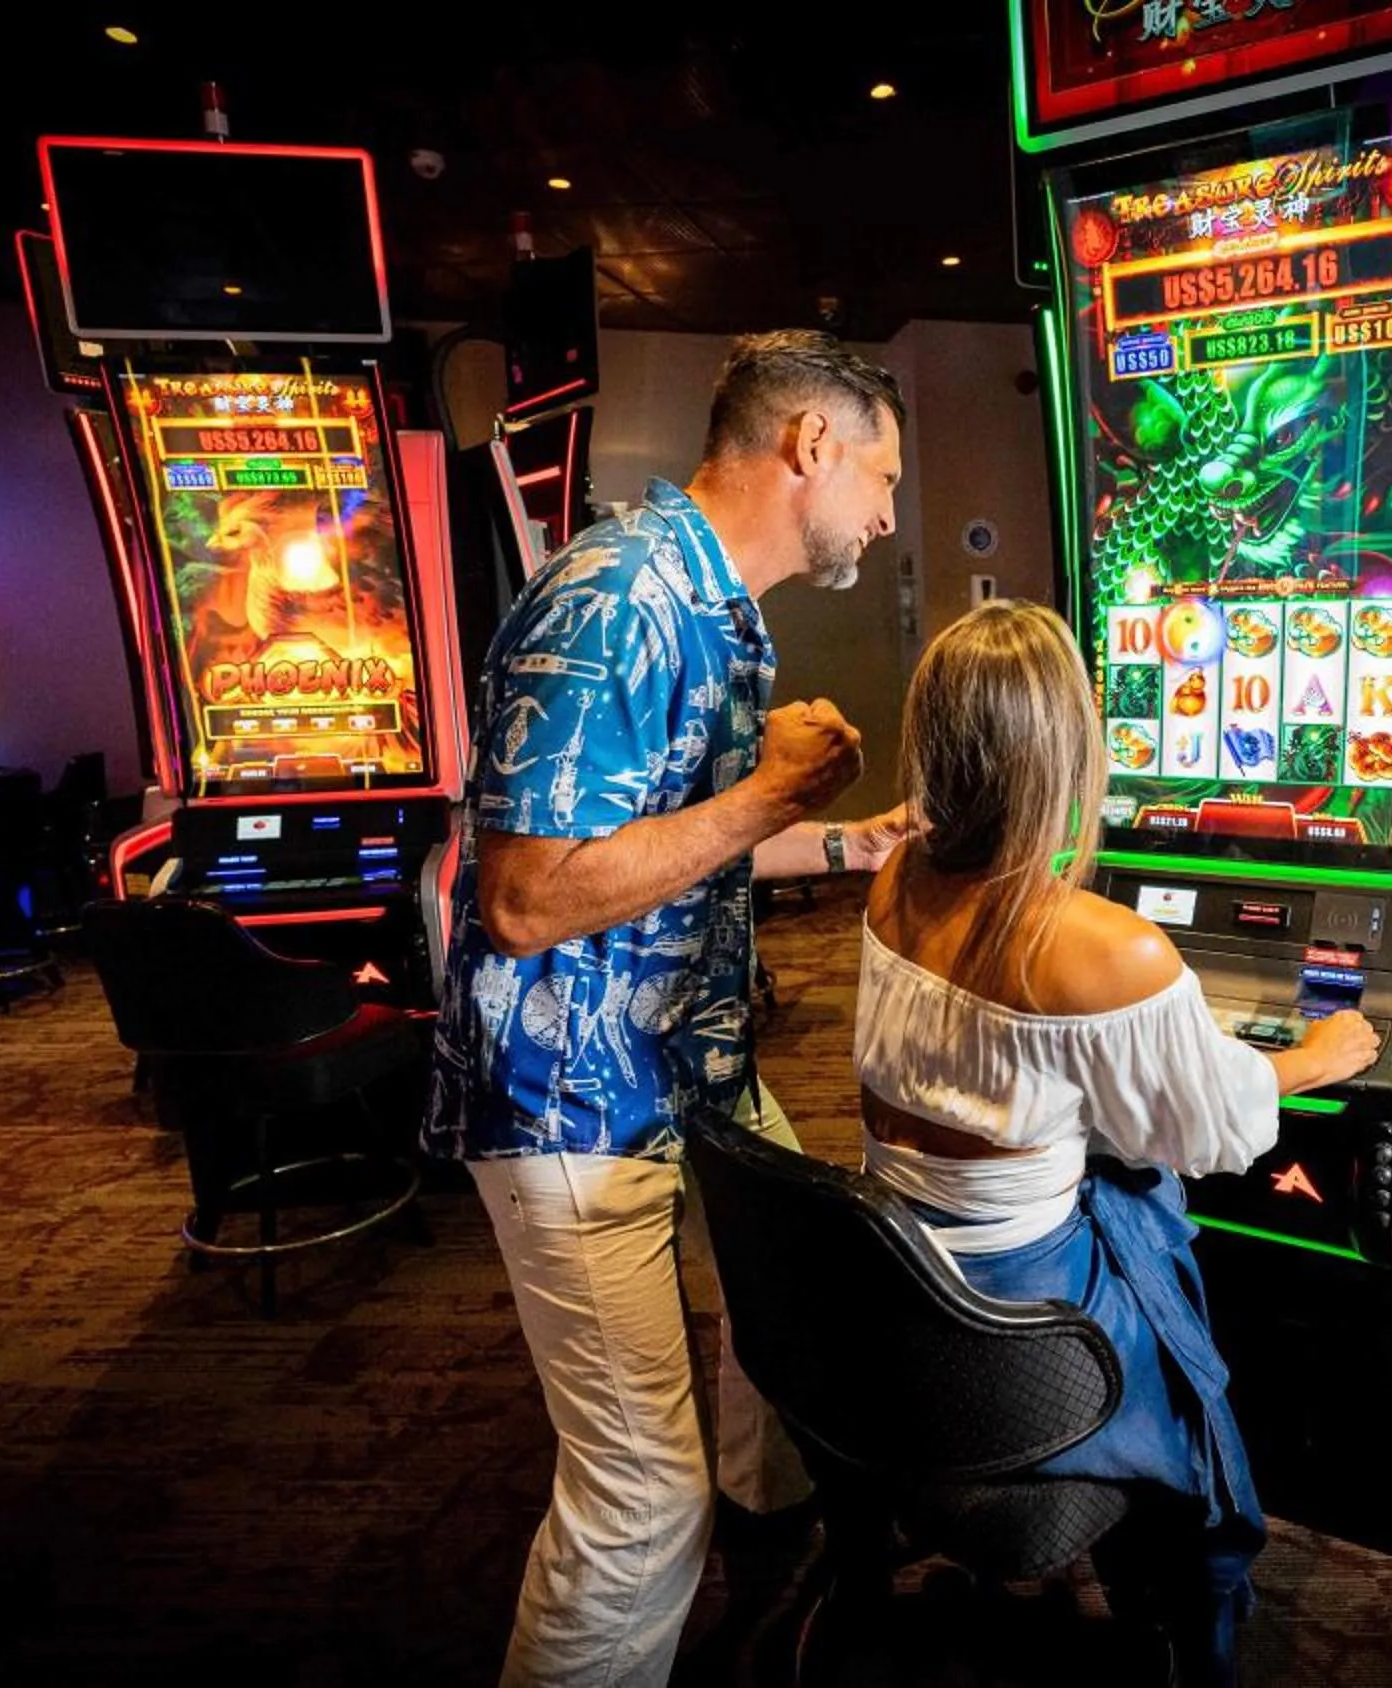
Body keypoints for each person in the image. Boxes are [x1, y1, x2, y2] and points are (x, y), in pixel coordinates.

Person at [424, 329, 916, 1687]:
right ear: (810, 445)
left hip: (686, 1062)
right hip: (571, 1100)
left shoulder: (716, 604)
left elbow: (665, 840)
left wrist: (850, 840)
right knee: (641, 1498)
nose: (888, 513)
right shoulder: (613, 599)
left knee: (799, 1300)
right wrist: (767, 797)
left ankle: (772, 1532)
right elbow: (526, 898)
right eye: (883, 476)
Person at [852, 600, 1379, 1685]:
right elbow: (1211, 1128)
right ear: (1067, 751)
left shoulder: (894, 877)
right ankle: (1190, 1580)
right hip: (1021, 1317)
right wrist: (1313, 1055)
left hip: (896, 1284)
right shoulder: (1102, 946)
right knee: (1157, 1220)